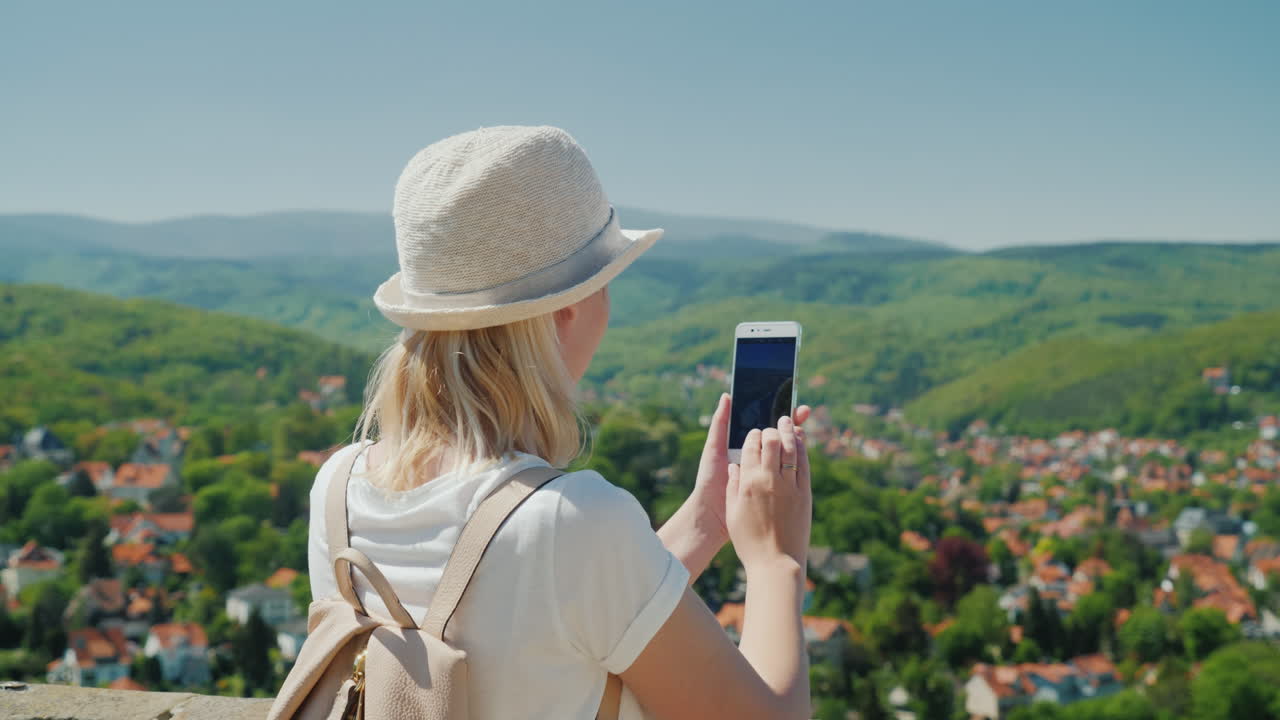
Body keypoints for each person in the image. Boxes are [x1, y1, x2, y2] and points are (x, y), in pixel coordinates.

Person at [308, 125, 813, 719]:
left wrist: (705, 521)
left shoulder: (337, 488)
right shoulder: (575, 521)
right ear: (569, 309)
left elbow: (553, 617)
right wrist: (776, 560)